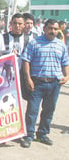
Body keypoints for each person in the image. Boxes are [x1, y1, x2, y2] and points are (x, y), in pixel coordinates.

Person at [20, 19, 69, 148]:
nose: (52, 31)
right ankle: (28, 135)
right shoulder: (34, 43)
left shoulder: (61, 45)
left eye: (55, 29)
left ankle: (42, 134)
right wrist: (28, 79)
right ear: (44, 28)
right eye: (50, 28)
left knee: (49, 110)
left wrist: (67, 75)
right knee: (32, 110)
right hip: (37, 83)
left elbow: (65, 62)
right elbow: (26, 61)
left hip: (54, 84)